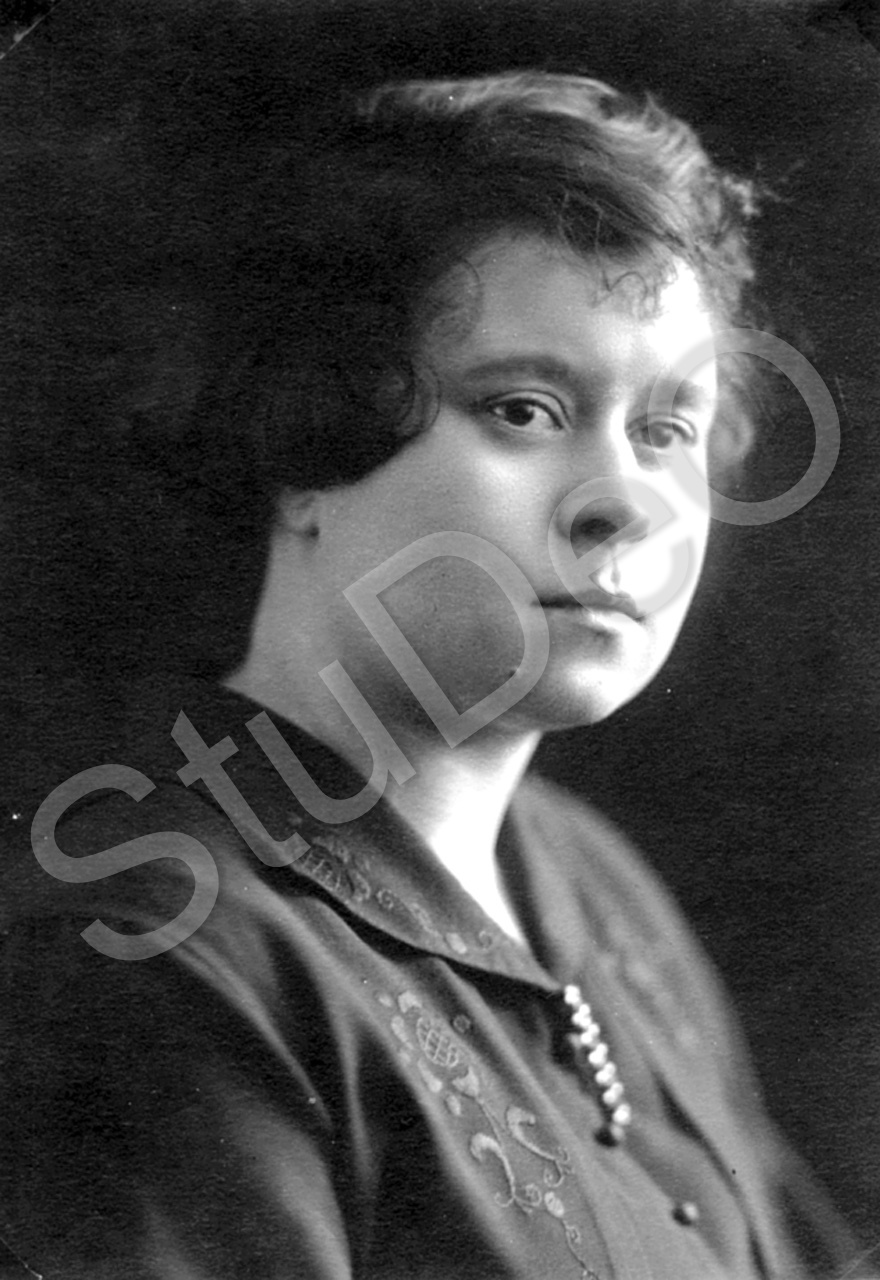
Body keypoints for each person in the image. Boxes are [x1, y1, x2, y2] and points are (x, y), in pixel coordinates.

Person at [0, 71, 862, 1279]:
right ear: (303, 440)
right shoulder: (152, 953)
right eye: (524, 407)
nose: (625, 502)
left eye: (665, 428)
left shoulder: (595, 885)